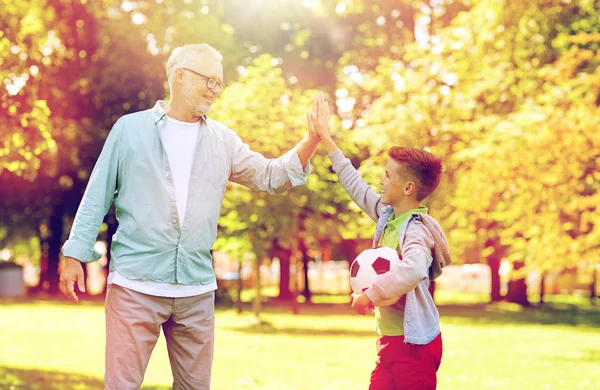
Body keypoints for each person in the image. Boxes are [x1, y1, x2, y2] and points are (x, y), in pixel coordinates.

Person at [59, 43, 321, 390]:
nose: (215, 90)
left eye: (219, 83)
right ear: (179, 77)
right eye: (209, 80)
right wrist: (75, 252)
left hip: (196, 291)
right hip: (135, 286)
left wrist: (311, 140)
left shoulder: (223, 140)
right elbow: (98, 193)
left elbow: (271, 176)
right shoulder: (130, 130)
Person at [307, 94, 452, 389]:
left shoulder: (417, 232)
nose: (382, 181)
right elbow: (356, 186)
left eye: (387, 176)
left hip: (415, 347)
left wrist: (371, 295)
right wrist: (326, 139)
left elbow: (412, 271)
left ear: (408, 187)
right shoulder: (387, 217)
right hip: (390, 343)